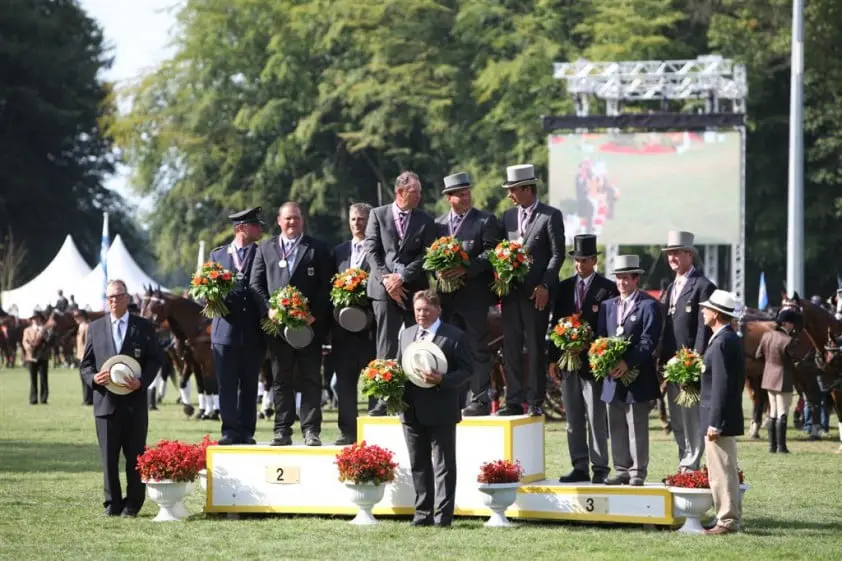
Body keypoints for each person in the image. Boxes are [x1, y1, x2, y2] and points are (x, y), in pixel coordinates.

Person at [251, 202, 332, 446]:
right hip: (278, 329)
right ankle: (282, 430)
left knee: (311, 379)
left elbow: (325, 286)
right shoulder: (265, 248)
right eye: (287, 219)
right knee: (280, 379)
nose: (292, 223)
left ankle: (311, 430)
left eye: (296, 218)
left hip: (308, 328)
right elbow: (256, 285)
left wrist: (313, 314)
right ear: (279, 220)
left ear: (302, 220)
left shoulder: (316, 248)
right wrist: (269, 309)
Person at [79, 279, 162, 517]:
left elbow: (156, 359)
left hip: (135, 404)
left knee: (135, 457)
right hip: (105, 405)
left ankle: (133, 504)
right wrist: (93, 379)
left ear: (127, 298)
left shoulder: (144, 327)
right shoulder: (95, 328)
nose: (113, 301)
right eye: (110, 298)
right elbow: (85, 365)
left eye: (118, 296)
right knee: (108, 458)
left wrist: (142, 382)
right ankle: (112, 503)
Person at [397, 290, 472, 527]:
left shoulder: (455, 336)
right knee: (418, 464)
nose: (421, 314)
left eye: (426, 310)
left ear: (438, 310)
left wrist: (443, 380)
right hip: (411, 410)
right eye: (418, 309)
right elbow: (400, 364)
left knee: (443, 466)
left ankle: (443, 517)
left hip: (442, 409)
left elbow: (467, 370)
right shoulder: (407, 334)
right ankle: (422, 515)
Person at [364, 171, 436, 415]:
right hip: (383, 291)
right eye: (415, 192)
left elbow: (426, 255)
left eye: (420, 192)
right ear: (400, 193)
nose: (419, 196)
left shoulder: (425, 220)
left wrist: (402, 278)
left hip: (413, 288)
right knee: (385, 344)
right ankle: (384, 397)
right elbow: (372, 250)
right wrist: (388, 280)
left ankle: (417, 394)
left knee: (417, 340)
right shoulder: (378, 214)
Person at [549, 234, 618, 484]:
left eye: (584, 260)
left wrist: (587, 346)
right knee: (573, 417)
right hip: (568, 364)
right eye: (577, 260)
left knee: (596, 417)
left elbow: (609, 328)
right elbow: (555, 324)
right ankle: (579, 465)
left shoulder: (607, 288)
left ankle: (600, 467)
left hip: (592, 364)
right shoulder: (565, 286)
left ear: (594, 261)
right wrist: (553, 358)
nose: (580, 265)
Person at [497, 164, 565, 416]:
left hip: (536, 295)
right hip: (511, 294)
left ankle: (535, 400)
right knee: (511, 348)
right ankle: (513, 399)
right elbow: (500, 252)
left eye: (513, 189)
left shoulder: (550, 216)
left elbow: (557, 255)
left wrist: (545, 284)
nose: (509, 194)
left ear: (527, 188)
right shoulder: (507, 217)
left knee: (535, 347)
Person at [434, 172, 500, 416]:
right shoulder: (438, 224)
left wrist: (465, 268)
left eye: (468, 193)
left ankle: (480, 399)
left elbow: (491, 253)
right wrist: (438, 273)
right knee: (448, 347)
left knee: (477, 347)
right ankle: (453, 398)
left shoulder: (485, 220)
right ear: (448, 198)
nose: (466, 197)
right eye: (460, 194)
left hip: (474, 297)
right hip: (447, 299)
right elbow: (430, 259)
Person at [597, 255, 662, 486]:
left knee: (636, 425)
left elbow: (648, 340)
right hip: (611, 378)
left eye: (626, 278)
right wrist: (604, 361)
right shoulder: (607, 306)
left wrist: (627, 363)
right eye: (619, 278)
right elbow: (601, 339)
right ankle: (621, 469)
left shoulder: (649, 305)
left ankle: (637, 471)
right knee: (615, 425)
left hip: (637, 376)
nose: (622, 282)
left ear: (636, 279)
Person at [659, 230, 716, 472]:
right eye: (669, 253)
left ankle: (691, 464)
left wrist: (695, 358)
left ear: (689, 254)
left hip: (689, 363)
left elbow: (705, 327)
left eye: (677, 252)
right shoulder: (670, 286)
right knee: (676, 418)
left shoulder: (703, 285)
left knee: (691, 418)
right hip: (670, 364)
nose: (672, 257)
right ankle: (684, 460)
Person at [210, 207, 266, 445]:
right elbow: (206, 288)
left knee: (250, 385)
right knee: (227, 385)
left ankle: (246, 431)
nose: (260, 229)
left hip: (253, 332)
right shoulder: (218, 256)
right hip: (225, 331)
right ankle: (229, 431)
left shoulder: (261, 253)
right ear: (241, 228)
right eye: (255, 225)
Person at [330, 202, 377, 444]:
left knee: (373, 382)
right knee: (345, 384)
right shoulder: (338, 252)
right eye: (353, 219)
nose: (357, 223)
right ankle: (348, 432)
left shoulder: (379, 249)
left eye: (362, 219)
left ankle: (372, 431)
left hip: (371, 330)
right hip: (343, 331)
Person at [699, 289, 745, 535]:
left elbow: (722, 385)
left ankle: (727, 520)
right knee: (721, 469)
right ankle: (725, 517)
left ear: (716, 313)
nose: (703, 312)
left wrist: (715, 422)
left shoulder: (723, 341)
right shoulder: (727, 338)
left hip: (718, 418)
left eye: (706, 309)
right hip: (720, 415)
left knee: (722, 471)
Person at [756, 309, 798, 454]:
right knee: (783, 412)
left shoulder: (766, 335)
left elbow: (758, 355)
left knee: (772, 412)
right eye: (792, 323)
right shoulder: (788, 340)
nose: (793, 326)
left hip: (768, 377)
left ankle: (772, 446)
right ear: (786, 323)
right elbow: (795, 361)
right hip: (783, 377)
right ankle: (781, 447)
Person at [22, 311, 51, 404]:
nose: (35, 320)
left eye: (37, 318)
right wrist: (28, 348)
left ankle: (44, 398)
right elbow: (24, 341)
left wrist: (44, 332)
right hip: (31, 357)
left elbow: (48, 341)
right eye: (34, 318)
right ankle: (33, 398)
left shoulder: (45, 329)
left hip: (42, 356)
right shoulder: (27, 330)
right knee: (33, 379)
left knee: (43, 378)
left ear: (40, 319)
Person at [74, 310, 92, 405]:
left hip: (84, 356)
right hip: (79, 355)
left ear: (82, 316)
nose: (75, 318)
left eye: (77, 316)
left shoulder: (87, 326)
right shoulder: (80, 326)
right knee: (82, 378)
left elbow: (87, 343)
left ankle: (88, 399)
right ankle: (86, 398)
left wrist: (84, 356)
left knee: (86, 378)